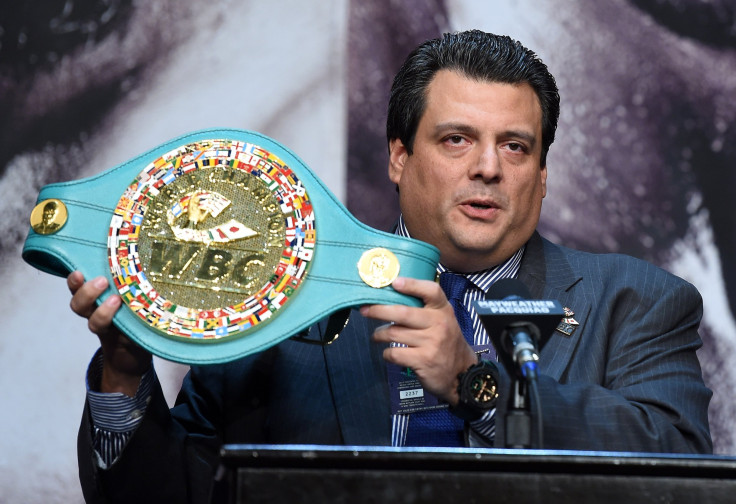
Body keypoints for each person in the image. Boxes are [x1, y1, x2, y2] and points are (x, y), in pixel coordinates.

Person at [67, 30, 712, 503]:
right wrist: (126, 376)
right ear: (399, 158)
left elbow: (682, 474)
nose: (488, 167)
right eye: (456, 139)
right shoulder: (285, 293)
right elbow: (175, 497)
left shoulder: (637, 301)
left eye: (515, 146)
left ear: (541, 178)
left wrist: (477, 386)